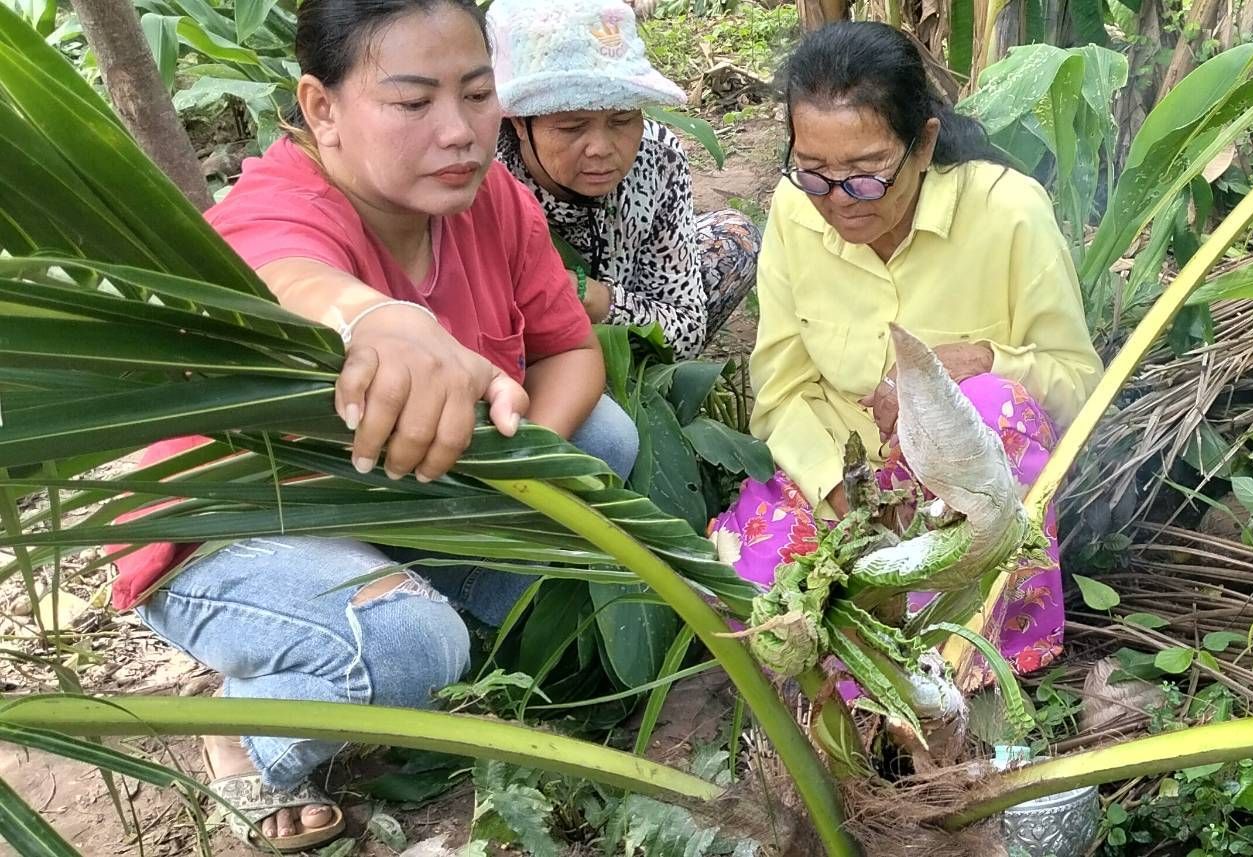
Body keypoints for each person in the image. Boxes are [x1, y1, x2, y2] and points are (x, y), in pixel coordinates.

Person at [108, 0, 639, 849]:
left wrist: (518, 463)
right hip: (236, 528)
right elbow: (274, 270)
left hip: (389, 498)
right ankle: (243, 731)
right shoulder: (280, 207)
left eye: (477, 95)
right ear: (321, 108)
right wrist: (372, 317)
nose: (459, 132)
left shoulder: (491, 201)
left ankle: (398, 632)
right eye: (413, 101)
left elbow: (571, 352)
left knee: (602, 438)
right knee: (407, 650)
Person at [708, 21, 1103, 682]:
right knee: (758, 600)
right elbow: (781, 392)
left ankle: (974, 660)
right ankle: (867, 681)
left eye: (866, 176)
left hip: (968, 490)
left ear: (922, 146)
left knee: (992, 403)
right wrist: (840, 491)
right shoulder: (793, 211)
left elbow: (1079, 386)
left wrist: (984, 361)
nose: (839, 201)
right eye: (814, 173)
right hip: (845, 479)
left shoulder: (1008, 212)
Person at [488, 0, 760, 358]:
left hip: (626, 316)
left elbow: (688, 328)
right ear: (520, 123)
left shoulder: (658, 159)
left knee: (736, 238)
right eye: (572, 127)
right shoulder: (488, 181)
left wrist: (597, 299)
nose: (601, 149)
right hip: (529, 352)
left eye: (622, 121)